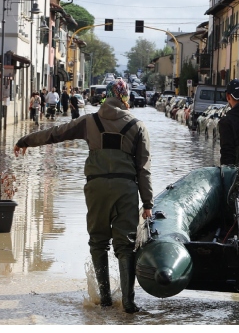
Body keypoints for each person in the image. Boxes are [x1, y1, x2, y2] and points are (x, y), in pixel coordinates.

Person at [13, 78, 152, 314]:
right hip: (126, 190)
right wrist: (147, 202)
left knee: (98, 242)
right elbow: (144, 169)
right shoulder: (138, 126)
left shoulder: (90, 121)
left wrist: (25, 140)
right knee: (125, 246)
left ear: (106, 96)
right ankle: (128, 303)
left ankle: (104, 299)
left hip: (96, 188)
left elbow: (55, 133)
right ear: (125, 97)